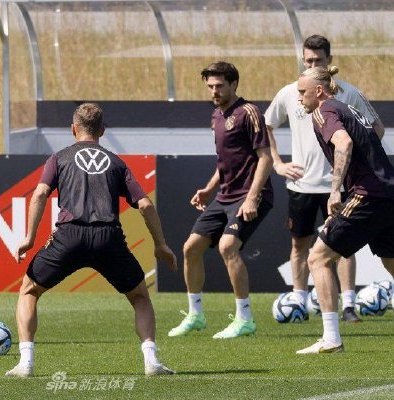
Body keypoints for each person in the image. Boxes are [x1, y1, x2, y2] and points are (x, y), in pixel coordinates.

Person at [5, 103, 178, 378]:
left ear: (73, 129)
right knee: (139, 297)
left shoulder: (59, 158)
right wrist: (160, 244)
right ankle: (151, 361)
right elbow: (145, 205)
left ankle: (25, 363)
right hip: (108, 237)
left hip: (69, 236)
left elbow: (39, 194)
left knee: (29, 291)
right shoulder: (117, 162)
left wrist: (29, 238)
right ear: (103, 131)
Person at [265, 35, 384, 323]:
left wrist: (348, 171)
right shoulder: (292, 93)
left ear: (329, 61)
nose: (312, 64)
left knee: (336, 249)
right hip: (304, 183)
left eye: (318, 60)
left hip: (344, 187)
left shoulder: (340, 98)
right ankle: (299, 301)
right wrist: (278, 164)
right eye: (308, 60)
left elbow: (370, 132)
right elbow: (266, 125)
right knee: (301, 245)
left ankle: (346, 307)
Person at [169, 61, 273, 339]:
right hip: (224, 196)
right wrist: (208, 189)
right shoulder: (216, 115)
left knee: (228, 246)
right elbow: (225, 162)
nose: (214, 91)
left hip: (251, 195)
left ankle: (245, 319)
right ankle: (195, 315)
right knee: (191, 248)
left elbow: (266, 158)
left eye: (219, 86)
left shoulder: (249, 112)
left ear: (234, 84)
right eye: (210, 86)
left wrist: (252, 198)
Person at [296, 66, 394, 354]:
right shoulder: (347, 108)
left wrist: (335, 189)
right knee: (391, 261)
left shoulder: (323, 110)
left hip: (368, 195)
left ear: (318, 91)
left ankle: (331, 338)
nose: (299, 98)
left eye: (302, 92)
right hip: (388, 193)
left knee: (318, 258)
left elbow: (344, 142)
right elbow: (375, 133)